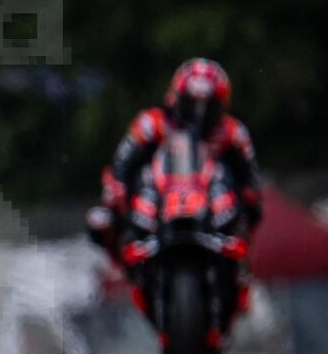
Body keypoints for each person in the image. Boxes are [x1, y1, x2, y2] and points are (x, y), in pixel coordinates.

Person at [85, 58, 264, 318]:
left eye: (208, 106)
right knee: (101, 219)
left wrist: (248, 200)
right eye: (192, 104)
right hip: (159, 202)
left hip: (211, 206)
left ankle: (239, 279)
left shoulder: (233, 133)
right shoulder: (150, 123)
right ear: (177, 97)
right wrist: (116, 193)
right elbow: (122, 166)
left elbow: (251, 179)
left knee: (250, 213)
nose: (198, 114)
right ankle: (128, 263)